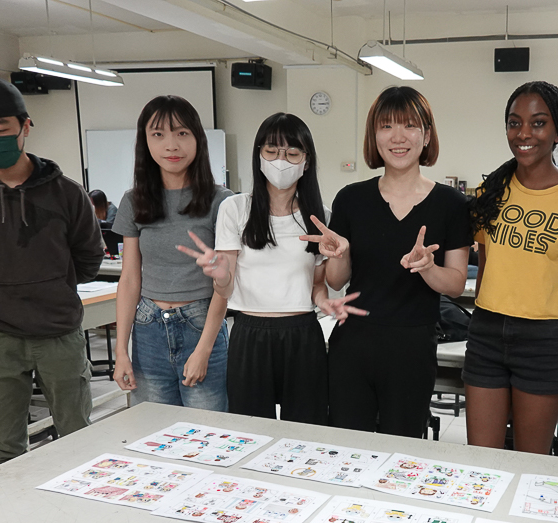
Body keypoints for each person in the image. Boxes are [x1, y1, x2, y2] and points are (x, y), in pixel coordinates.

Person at [0, 75, 104, 467]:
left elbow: (89, 258)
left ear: (25, 126)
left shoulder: (67, 192)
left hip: (59, 331)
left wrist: (50, 286)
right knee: (3, 448)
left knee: (78, 439)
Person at [305, 86, 471, 437]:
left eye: (409, 125)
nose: (398, 137)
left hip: (412, 348)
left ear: (427, 135)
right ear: (374, 136)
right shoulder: (351, 199)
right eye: (386, 126)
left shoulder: (452, 204)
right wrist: (341, 254)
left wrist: (428, 267)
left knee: (402, 449)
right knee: (347, 447)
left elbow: (456, 284)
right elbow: (336, 281)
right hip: (353, 345)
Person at [177, 112, 364, 423]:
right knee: (249, 430)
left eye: (292, 153)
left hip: (303, 335)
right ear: (259, 156)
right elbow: (224, 289)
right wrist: (221, 277)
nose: (281, 161)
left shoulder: (320, 217)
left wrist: (324, 301)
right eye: (272, 151)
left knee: (306, 430)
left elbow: (317, 285)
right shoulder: (236, 208)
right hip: (249, 333)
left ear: (307, 161)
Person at [464, 81, 558, 455]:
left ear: (557, 131)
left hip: (544, 341)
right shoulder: (490, 191)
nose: (524, 133)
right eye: (514, 123)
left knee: (531, 461)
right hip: (486, 333)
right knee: (480, 459)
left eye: (538, 123)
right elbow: (485, 264)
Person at [112, 95, 233, 410]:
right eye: (158, 134)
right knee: (152, 427)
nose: (171, 145)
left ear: (197, 138)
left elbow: (225, 284)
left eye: (182, 133)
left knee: (208, 430)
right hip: (148, 327)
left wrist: (204, 350)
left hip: (201, 324)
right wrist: (121, 351)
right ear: (145, 142)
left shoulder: (222, 201)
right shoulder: (133, 201)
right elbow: (129, 279)